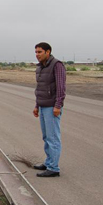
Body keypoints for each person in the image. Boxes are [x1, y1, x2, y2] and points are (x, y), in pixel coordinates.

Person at [33, 42, 66, 177]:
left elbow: (61, 87)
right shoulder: (40, 67)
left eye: (40, 52)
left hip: (52, 107)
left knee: (53, 138)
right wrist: (36, 105)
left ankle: (53, 168)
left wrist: (58, 105)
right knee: (46, 137)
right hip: (42, 105)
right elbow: (39, 88)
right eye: (36, 52)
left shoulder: (57, 65)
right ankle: (48, 162)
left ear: (48, 52)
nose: (37, 55)